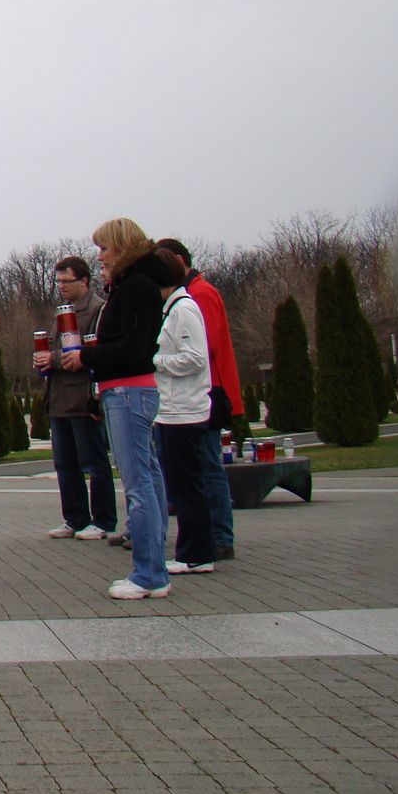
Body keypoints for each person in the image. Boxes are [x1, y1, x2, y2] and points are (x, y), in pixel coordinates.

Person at [63, 218, 170, 599]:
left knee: (139, 485)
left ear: (122, 248)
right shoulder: (131, 285)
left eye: (104, 248)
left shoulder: (137, 286)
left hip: (129, 391)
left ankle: (148, 573)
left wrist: (86, 356)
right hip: (123, 389)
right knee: (148, 478)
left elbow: (134, 347)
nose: (100, 256)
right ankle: (153, 568)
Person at [156, 237, 241, 560]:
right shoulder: (186, 298)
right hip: (193, 393)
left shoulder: (197, 295)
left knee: (206, 468)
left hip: (204, 393)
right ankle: (207, 537)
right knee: (195, 471)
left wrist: (156, 360)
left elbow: (205, 348)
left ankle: (218, 535)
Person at [36, 256, 116, 541]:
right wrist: (45, 360)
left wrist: (54, 358)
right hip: (59, 398)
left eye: (66, 281)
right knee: (65, 463)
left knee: (93, 462)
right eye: (58, 282)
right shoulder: (63, 312)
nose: (61, 287)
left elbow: (91, 351)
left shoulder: (97, 309)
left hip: (82, 398)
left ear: (83, 281)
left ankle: (103, 520)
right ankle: (75, 517)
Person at [152, 247, 216, 576]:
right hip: (170, 410)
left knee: (188, 485)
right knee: (179, 486)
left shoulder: (184, 309)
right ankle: (191, 551)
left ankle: (197, 553)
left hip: (185, 411)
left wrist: (156, 361)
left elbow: (195, 358)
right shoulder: (170, 310)